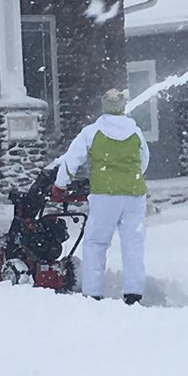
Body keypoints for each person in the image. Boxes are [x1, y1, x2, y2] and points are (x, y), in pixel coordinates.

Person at [53, 88, 150, 304]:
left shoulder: (92, 131)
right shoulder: (136, 131)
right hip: (135, 195)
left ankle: (93, 292)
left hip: (105, 195)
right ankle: (133, 293)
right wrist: (129, 178)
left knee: (96, 242)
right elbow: (144, 160)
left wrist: (60, 185)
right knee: (133, 244)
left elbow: (72, 160)